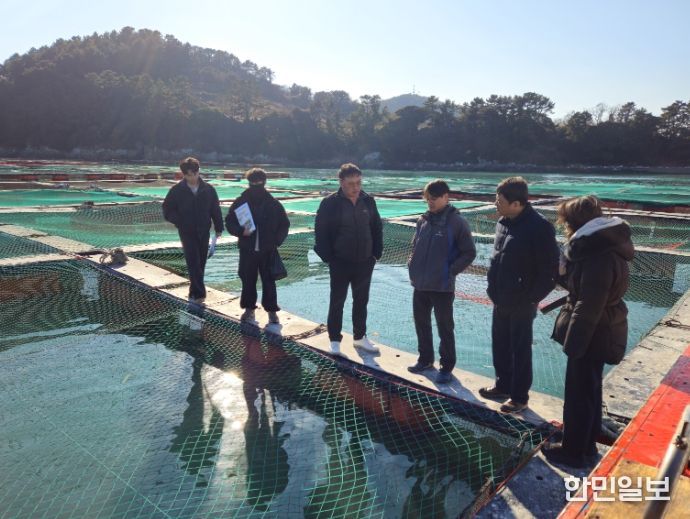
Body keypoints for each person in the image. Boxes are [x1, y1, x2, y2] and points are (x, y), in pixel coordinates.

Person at [543, 195, 633, 468]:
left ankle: (574, 452)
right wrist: (563, 272)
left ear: (574, 222)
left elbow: (588, 304)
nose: (564, 227)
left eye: (565, 222)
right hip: (600, 329)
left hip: (593, 333)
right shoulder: (600, 246)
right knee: (590, 389)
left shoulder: (598, 256)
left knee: (579, 394)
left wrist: (574, 345)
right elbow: (582, 289)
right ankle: (587, 442)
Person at [481, 176, 559, 413]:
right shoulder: (503, 222)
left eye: (500, 200)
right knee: (500, 344)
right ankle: (502, 385)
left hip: (522, 302)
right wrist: (492, 289)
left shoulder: (539, 227)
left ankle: (519, 397)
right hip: (500, 297)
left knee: (520, 349)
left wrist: (531, 298)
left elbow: (550, 271)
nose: (496, 204)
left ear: (517, 203)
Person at [407, 180, 476, 384]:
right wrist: (412, 264)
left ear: (446, 197)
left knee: (445, 327)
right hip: (420, 284)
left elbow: (469, 252)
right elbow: (415, 245)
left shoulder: (457, 222)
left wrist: (449, 271)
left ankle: (446, 367)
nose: (430, 202)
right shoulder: (423, 220)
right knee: (421, 323)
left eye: (434, 198)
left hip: (442, 287)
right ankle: (425, 359)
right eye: (428, 199)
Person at [314, 163, 383, 356]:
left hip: (365, 261)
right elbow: (320, 232)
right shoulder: (329, 203)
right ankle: (334, 341)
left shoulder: (368, 201)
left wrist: (376, 254)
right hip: (340, 261)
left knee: (361, 301)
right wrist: (329, 258)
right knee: (337, 301)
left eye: (359, 182)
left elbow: (377, 228)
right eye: (351, 183)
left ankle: (360, 337)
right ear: (341, 182)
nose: (356, 187)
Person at [226, 168, 290, 324]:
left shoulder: (273, 204)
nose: (256, 186)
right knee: (247, 279)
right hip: (247, 249)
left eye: (259, 183)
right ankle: (249, 309)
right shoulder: (240, 202)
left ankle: (272, 311)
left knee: (269, 281)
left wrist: (276, 241)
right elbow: (229, 221)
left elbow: (284, 224)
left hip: (268, 250)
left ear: (264, 183)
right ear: (249, 183)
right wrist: (241, 231)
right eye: (253, 183)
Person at [162, 157, 223, 304]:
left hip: (204, 230)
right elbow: (167, 210)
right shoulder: (177, 190)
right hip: (186, 231)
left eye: (195, 173)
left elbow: (215, 209)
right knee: (193, 261)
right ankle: (200, 295)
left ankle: (193, 291)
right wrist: (180, 221)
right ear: (184, 174)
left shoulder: (208, 189)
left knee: (201, 261)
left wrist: (219, 227)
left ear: (198, 171)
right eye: (189, 175)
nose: (193, 177)